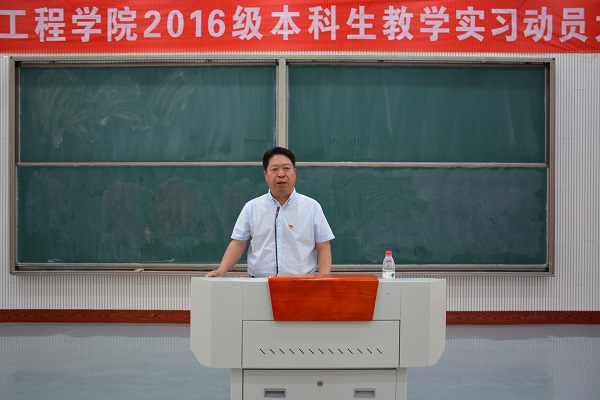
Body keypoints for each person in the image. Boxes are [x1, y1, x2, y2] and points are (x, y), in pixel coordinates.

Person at [206, 147, 334, 278]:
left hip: (300, 284)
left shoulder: (311, 207)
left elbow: (323, 246)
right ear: (266, 175)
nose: (281, 174)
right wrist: (222, 270)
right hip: (259, 283)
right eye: (275, 169)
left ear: (294, 173)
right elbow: (238, 244)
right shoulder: (252, 207)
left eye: (286, 168)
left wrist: (323, 279)